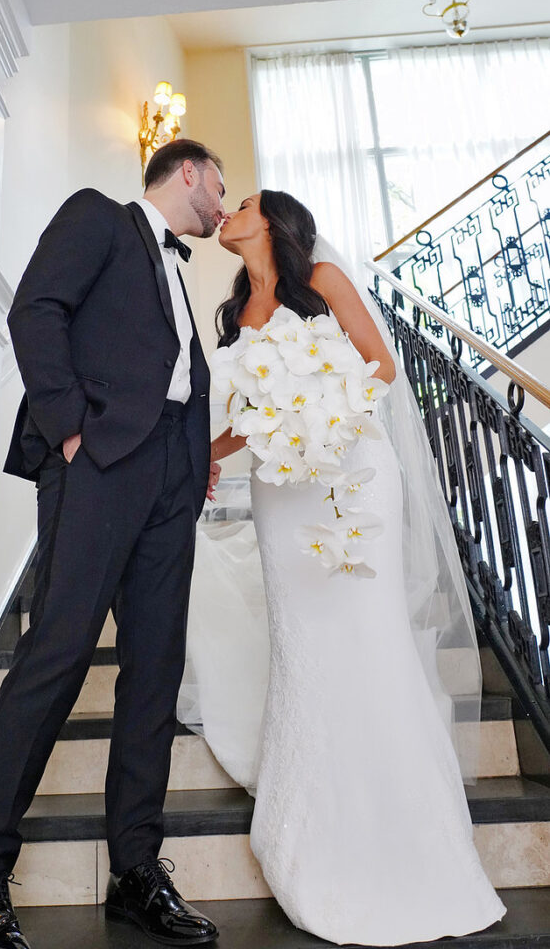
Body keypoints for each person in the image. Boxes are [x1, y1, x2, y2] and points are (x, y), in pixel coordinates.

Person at [184, 190, 506, 946]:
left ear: (273, 222)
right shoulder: (234, 313)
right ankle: (312, 827)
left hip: (348, 472)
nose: (227, 212)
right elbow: (246, 410)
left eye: (243, 205)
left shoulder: (322, 283)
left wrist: (311, 408)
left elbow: (383, 368)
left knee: (367, 638)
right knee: (305, 647)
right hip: (279, 488)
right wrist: (212, 455)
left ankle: (406, 838)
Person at [0, 140, 225, 949]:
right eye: (219, 182)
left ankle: (136, 871)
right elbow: (35, 309)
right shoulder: (99, 217)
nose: (223, 198)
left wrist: (194, 462)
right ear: (188, 171)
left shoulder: (179, 267)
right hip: (101, 460)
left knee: (155, 669)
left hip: (174, 472)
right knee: (57, 657)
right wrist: (70, 431)